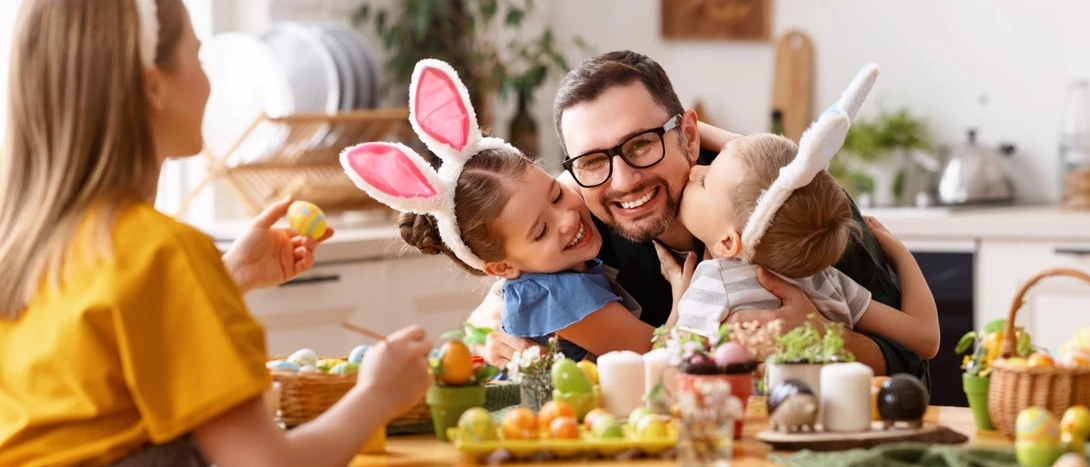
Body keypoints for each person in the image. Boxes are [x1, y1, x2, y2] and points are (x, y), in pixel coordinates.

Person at [0, 1, 431, 465]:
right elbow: (264, 464)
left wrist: (223, 281)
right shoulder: (161, 251)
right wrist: (378, 396)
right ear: (154, 86)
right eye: (198, 58)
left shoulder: (26, 245)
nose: (209, 83)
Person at [468, 50, 929, 386]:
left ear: (689, 136)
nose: (624, 180)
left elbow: (917, 366)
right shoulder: (581, 223)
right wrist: (491, 331)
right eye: (591, 161)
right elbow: (504, 288)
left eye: (642, 143)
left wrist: (827, 337)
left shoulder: (797, 208)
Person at [341, 59, 671, 362]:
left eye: (556, 195)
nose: (569, 218)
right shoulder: (557, 294)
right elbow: (660, 351)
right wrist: (686, 289)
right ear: (501, 266)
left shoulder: (554, 258)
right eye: (541, 231)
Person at [676, 130, 940, 360]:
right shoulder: (829, 283)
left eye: (703, 182)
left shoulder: (712, 284)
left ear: (728, 242)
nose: (694, 170)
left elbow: (672, 370)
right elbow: (926, 339)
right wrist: (902, 256)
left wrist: (680, 298)